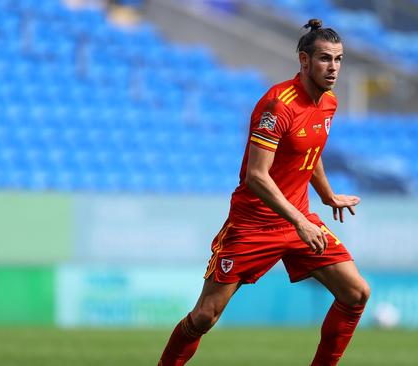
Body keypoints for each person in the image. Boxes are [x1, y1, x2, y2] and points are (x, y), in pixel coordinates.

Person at [158, 18, 370, 366]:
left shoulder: (329, 102)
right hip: (253, 226)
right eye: (324, 59)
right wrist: (300, 221)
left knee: (356, 292)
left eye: (338, 59)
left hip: (298, 220)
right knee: (204, 317)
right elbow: (257, 176)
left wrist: (328, 195)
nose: (333, 68)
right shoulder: (278, 105)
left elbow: (308, 153)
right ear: (304, 60)